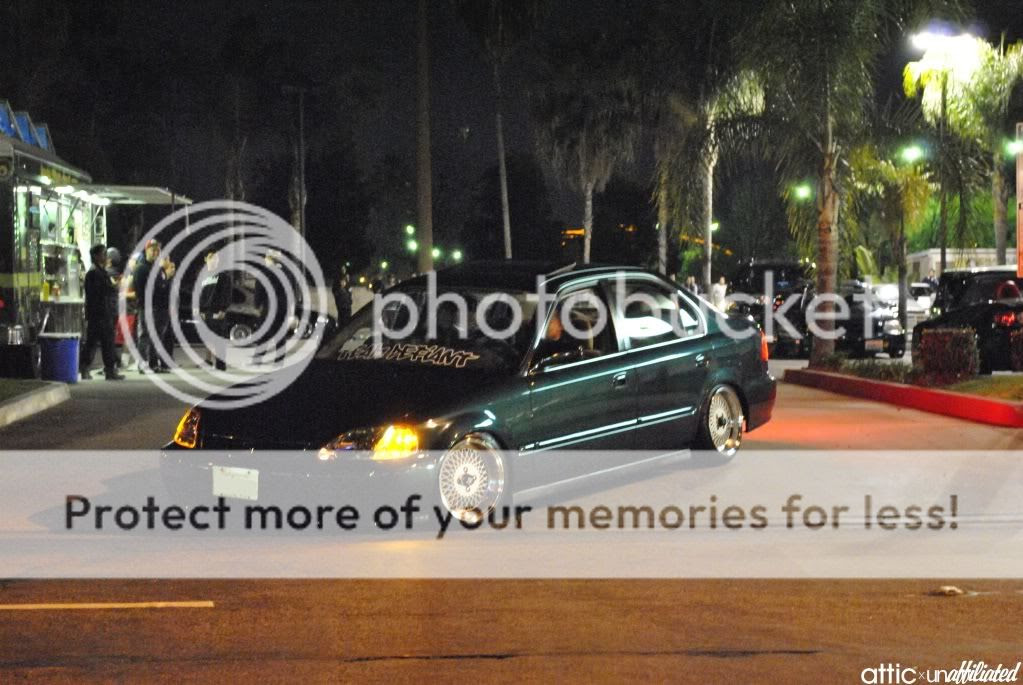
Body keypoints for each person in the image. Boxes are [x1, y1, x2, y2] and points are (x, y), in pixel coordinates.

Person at [129, 240, 174, 373]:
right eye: (153, 250)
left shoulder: (157, 268)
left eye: (157, 250)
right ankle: (143, 364)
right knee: (145, 336)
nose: (155, 252)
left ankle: (154, 364)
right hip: (148, 308)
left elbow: (163, 286)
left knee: (157, 337)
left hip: (161, 308)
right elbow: (141, 290)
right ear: (146, 250)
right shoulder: (141, 268)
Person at [80, 245, 124, 380]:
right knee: (93, 343)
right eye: (103, 254)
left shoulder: (101, 271)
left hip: (104, 313)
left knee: (106, 342)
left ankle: (109, 370)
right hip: (98, 314)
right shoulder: (93, 273)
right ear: (96, 256)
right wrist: (113, 287)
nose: (106, 257)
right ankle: (85, 367)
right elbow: (97, 293)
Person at [199, 251, 233, 370]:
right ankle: (208, 360)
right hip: (206, 312)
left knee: (219, 338)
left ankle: (220, 364)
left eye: (216, 258)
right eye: (211, 257)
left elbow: (227, 294)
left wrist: (223, 309)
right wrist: (201, 309)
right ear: (206, 259)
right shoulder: (203, 276)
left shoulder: (223, 276)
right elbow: (200, 294)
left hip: (217, 312)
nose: (214, 260)